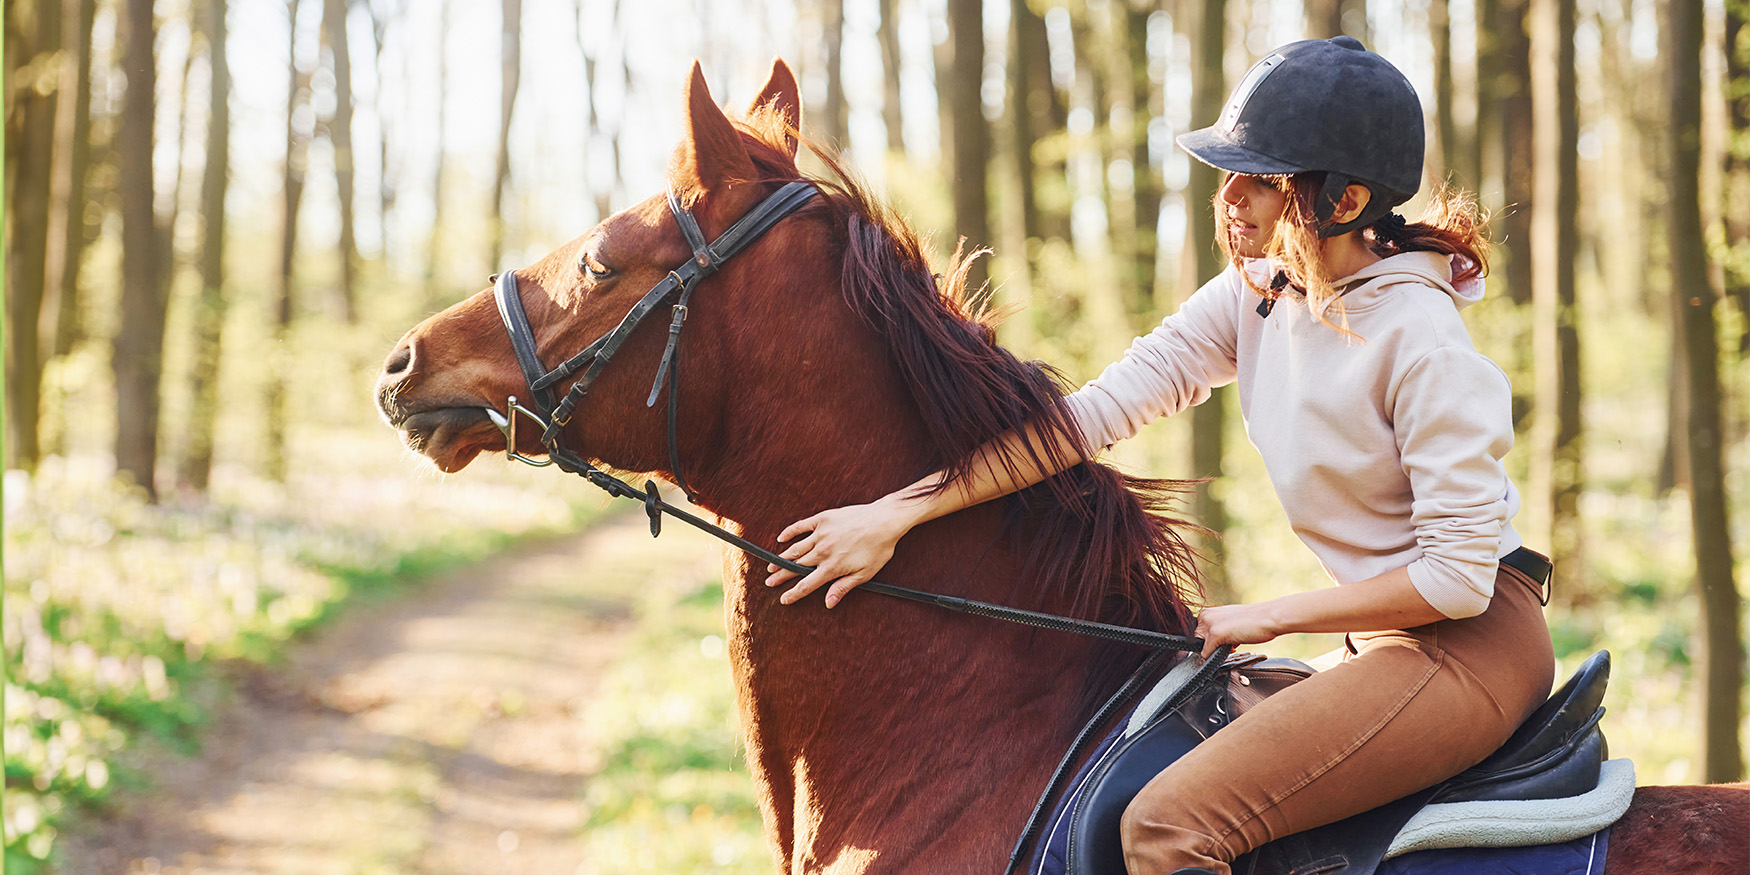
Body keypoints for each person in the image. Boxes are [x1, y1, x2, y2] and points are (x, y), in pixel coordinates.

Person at [761, 36, 1555, 875]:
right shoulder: (1257, 295)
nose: (1232, 198)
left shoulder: (1422, 340)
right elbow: (1089, 417)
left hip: (1468, 648)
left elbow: (1458, 581)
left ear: (1347, 197)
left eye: (1262, 178)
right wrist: (898, 512)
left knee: (1168, 826)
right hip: (1378, 642)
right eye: (1231, 172)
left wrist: (1266, 615)